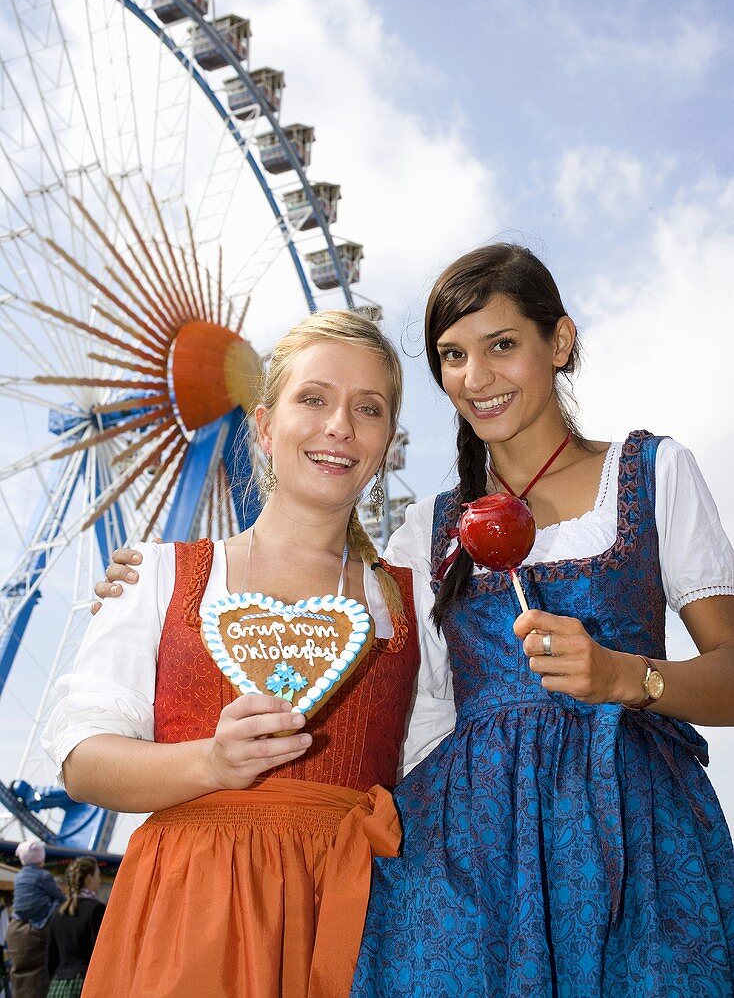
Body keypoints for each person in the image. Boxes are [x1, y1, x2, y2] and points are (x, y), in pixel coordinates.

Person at [100, 243, 734, 996]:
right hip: (477, 852)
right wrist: (161, 584)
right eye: (452, 356)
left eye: (502, 345)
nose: (476, 378)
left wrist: (628, 676)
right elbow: (397, 697)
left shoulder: (652, 471)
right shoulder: (425, 533)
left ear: (559, 342)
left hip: (635, 826)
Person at [43, 310, 429, 998]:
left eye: (367, 409)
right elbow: (82, 762)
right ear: (262, 425)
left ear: (386, 442)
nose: (339, 424)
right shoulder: (158, 577)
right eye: (313, 398)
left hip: (357, 921)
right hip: (191, 918)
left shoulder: (409, 605)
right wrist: (211, 762)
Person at [5, 840, 64, 998]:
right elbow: (60, 897)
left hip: (18, 922)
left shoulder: (18, 877)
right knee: (57, 902)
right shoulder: (44, 876)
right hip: (40, 922)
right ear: (40, 858)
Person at [45, 857, 105, 998]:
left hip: (57, 986)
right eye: (97, 875)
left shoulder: (58, 912)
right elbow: (101, 954)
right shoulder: (97, 910)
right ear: (89, 878)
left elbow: (50, 957)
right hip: (84, 984)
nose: (100, 880)